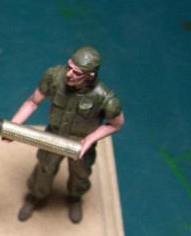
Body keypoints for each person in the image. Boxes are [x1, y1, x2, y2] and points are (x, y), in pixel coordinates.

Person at [11, 46, 124, 223]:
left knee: (80, 175)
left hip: (80, 145)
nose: (69, 74)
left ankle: (75, 198)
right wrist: (13, 127)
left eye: (76, 72)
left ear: (90, 76)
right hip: (53, 137)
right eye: (69, 67)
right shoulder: (54, 77)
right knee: (44, 169)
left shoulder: (104, 98)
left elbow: (117, 124)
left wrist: (90, 139)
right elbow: (33, 102)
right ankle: (36, 197)